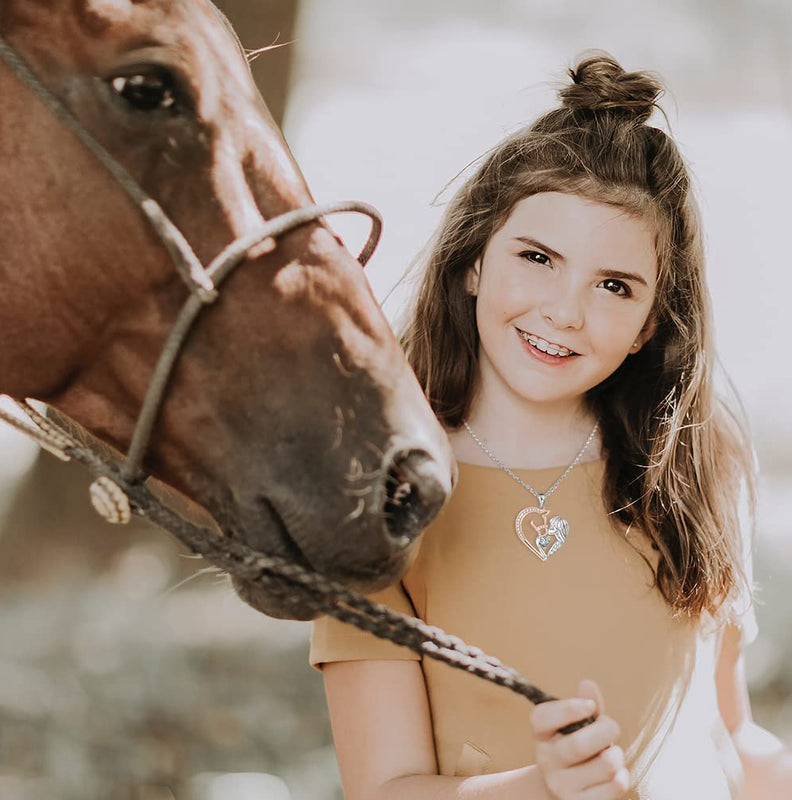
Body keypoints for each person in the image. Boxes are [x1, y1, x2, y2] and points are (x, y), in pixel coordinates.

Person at [309, 53, 792, 799]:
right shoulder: (384, 496)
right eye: (537, 257)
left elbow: (729, 737)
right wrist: (541, 787)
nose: (565, 312)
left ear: (648, 325)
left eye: (613, 285)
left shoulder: (699, 464)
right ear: (473, 260)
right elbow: (385, 788)